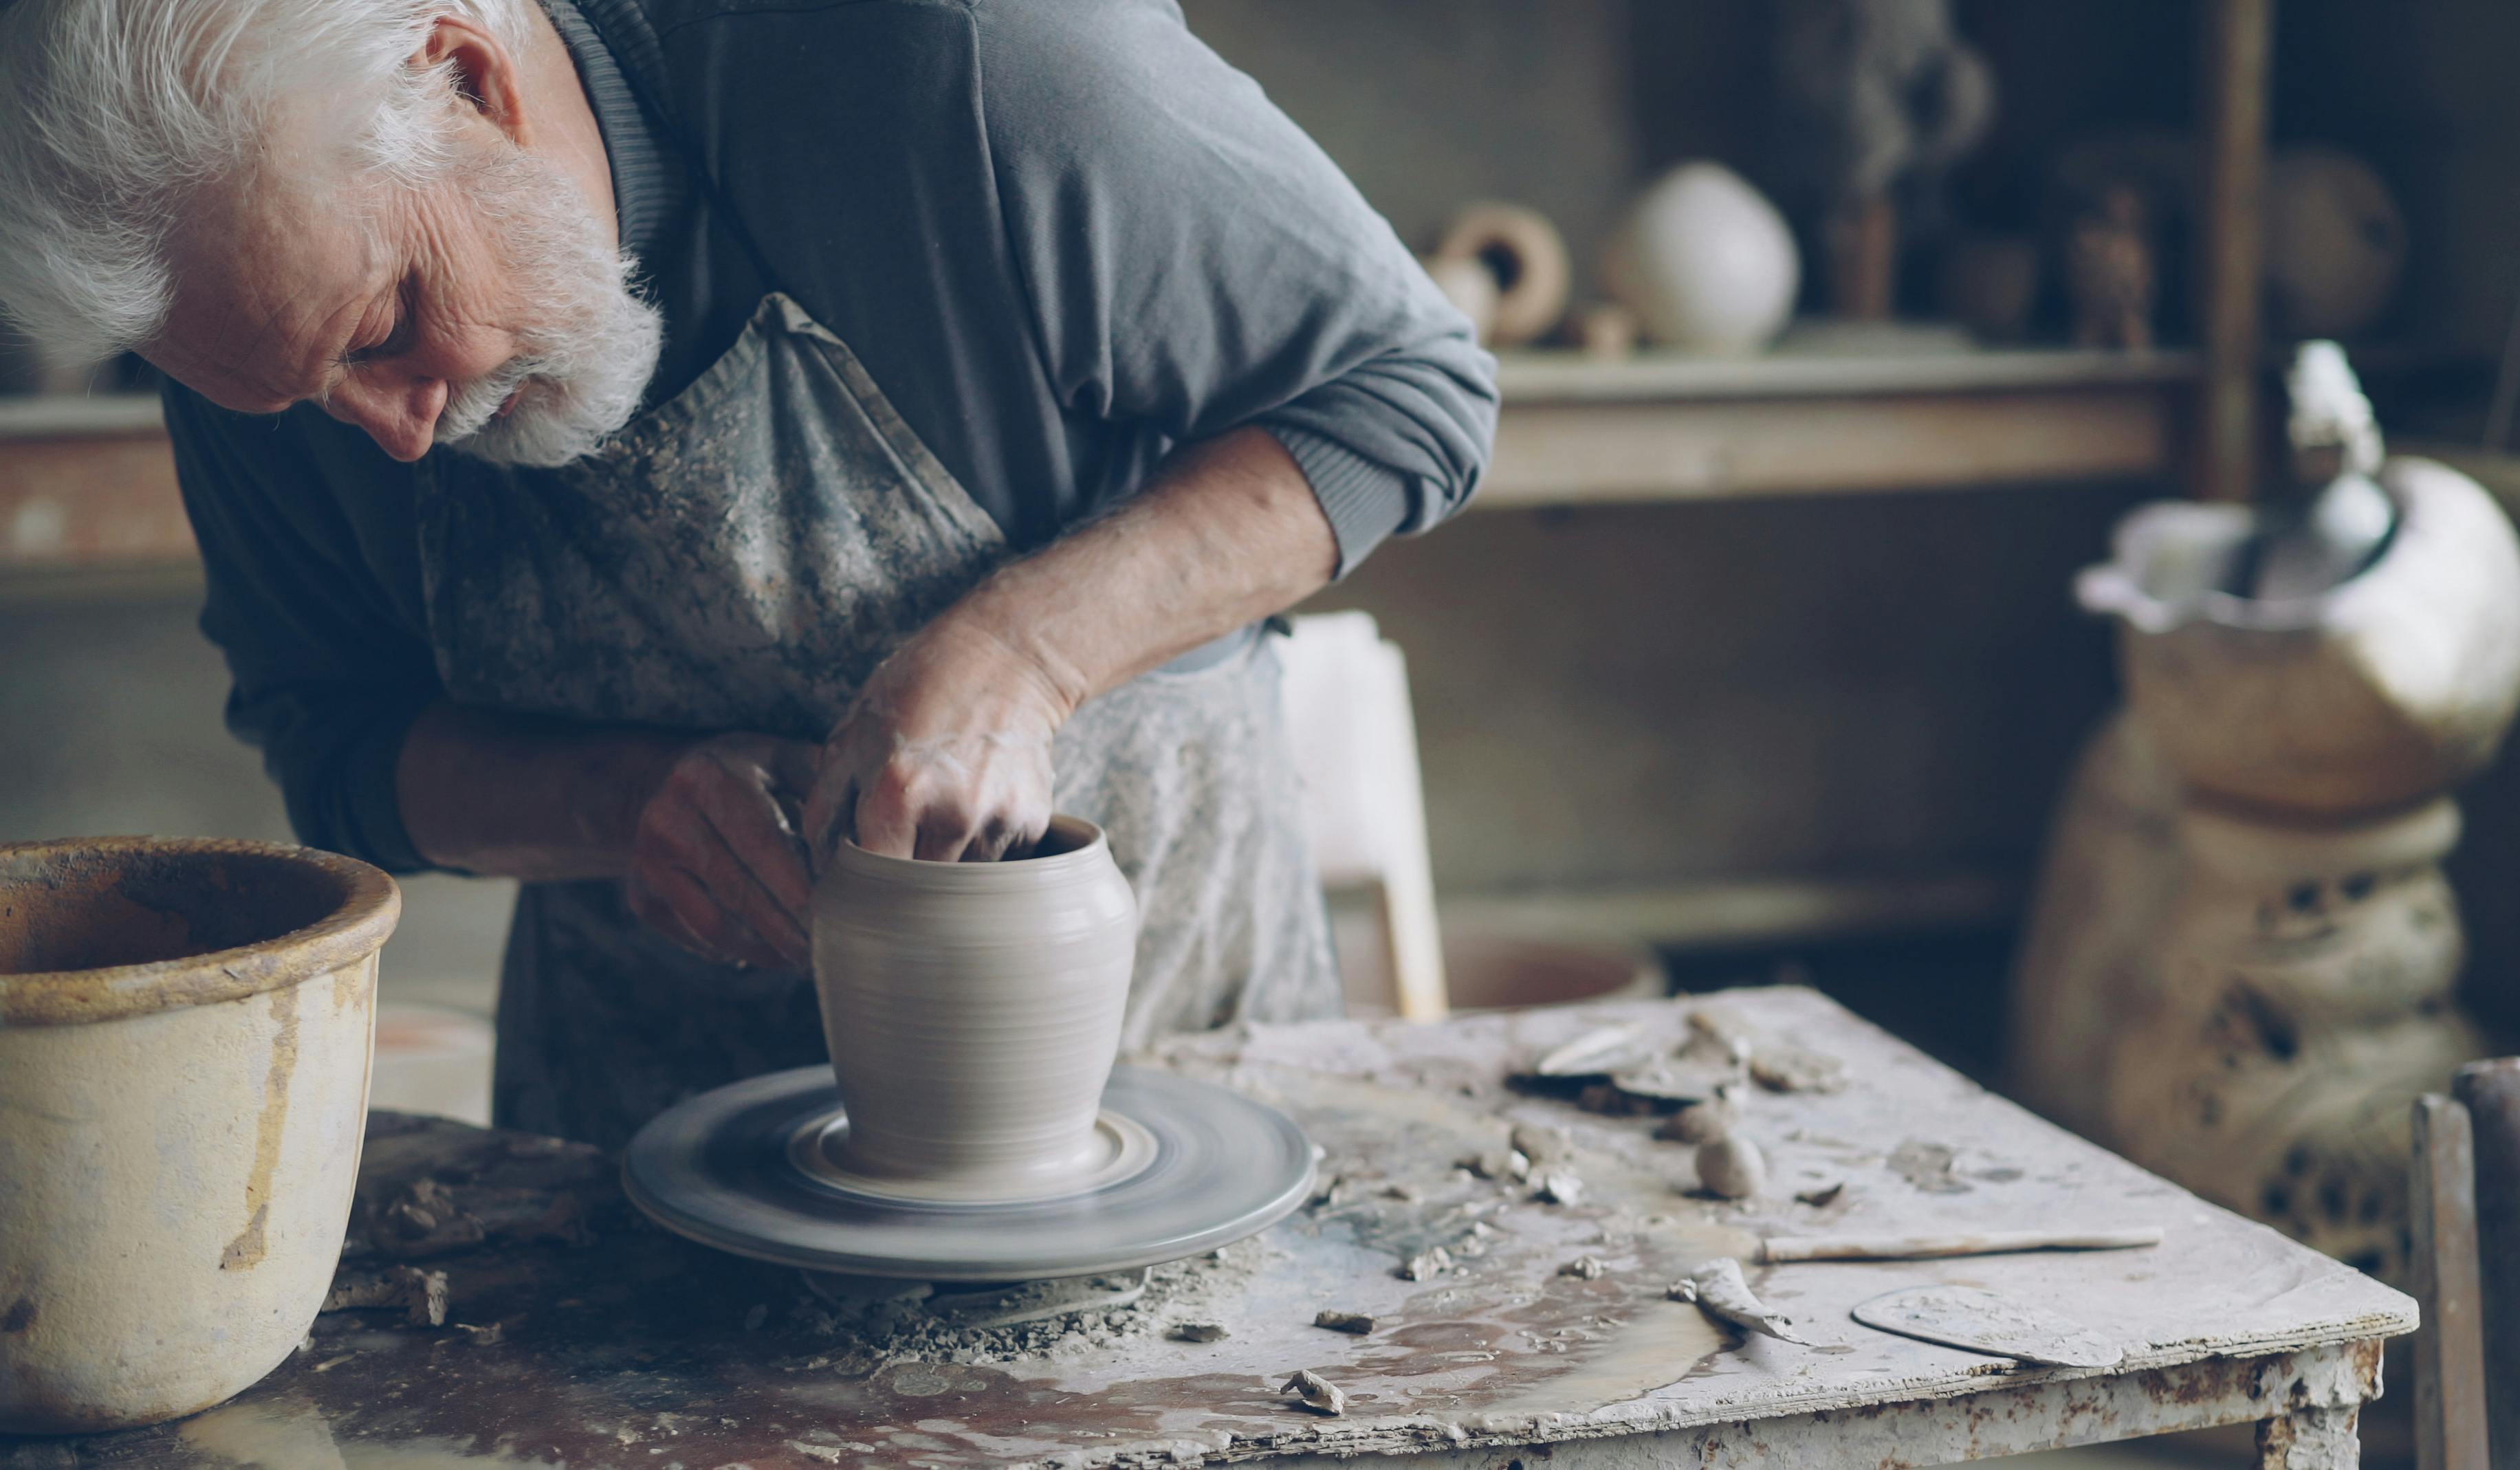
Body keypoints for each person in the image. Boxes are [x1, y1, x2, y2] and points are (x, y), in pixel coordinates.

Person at [0, 0, 1496, 1148]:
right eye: (307, 394)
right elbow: (337, 748)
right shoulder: (246, 333)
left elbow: (1406, 392)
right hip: (647, 1150)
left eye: (389, 325)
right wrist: (620, 801)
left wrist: (1025, 656)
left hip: (1164, 1074)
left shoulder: (977, 67)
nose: (390, 436)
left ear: (469, 78)